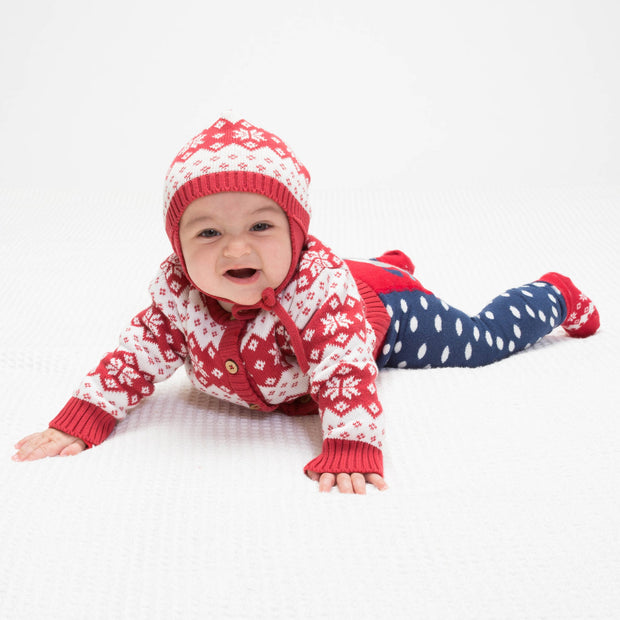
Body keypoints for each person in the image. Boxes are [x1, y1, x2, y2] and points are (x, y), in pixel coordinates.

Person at [12, 113, 600, 494]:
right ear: (177, 245)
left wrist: (349, 441)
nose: (235, 247)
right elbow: (132, 360)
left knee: (475, 344)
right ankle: (390, 261)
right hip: (351, 277)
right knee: (363, 271)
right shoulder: (178, 300)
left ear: (297, 233)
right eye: (208, 233)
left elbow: (343, 369)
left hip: (384, 313)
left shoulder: (323, 296)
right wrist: (87, 417)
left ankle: (554, 296)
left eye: (261, 226)